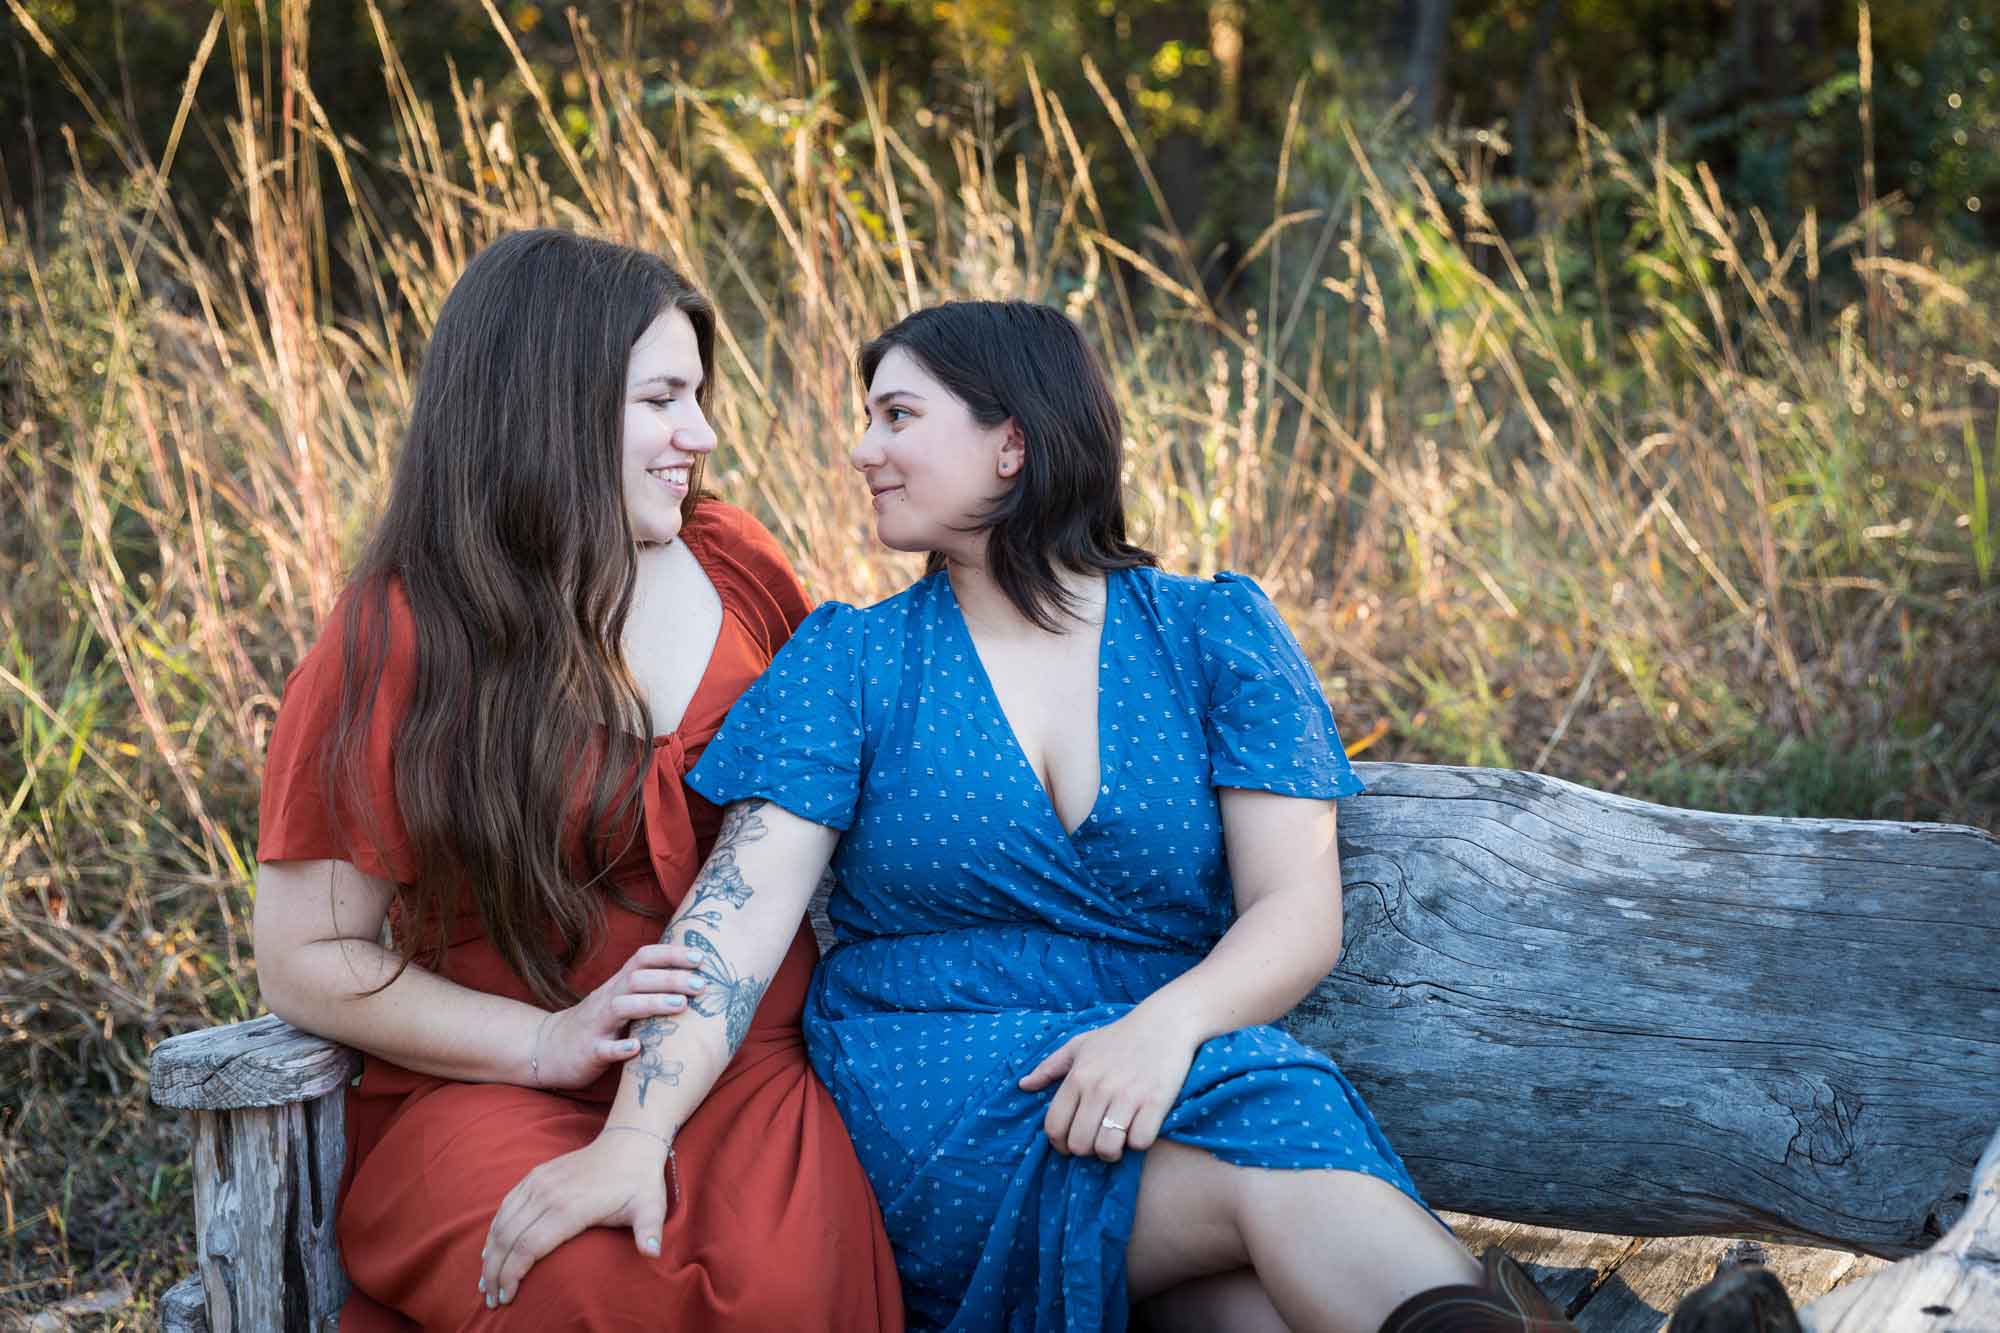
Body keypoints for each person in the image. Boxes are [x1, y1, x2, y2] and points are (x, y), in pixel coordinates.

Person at [476, 297, 1570, 1331]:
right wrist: (634, 1134)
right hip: (939, 1091)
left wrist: (1160, 1030)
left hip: (1164, 1068)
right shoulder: (849, 661)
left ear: (1014, 443)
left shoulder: (1212, 634)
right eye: (868, 420)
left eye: (897, 416)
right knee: (1281, 1158)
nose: (862, 450)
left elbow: (1295, 910)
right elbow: (736, 920)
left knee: (1256, 1282)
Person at [251, 228, 903, 1329]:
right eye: (662, 400)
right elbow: (306, 956)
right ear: (547, 402)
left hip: (739, 1071)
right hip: (494, 1081)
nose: (698, 435)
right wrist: (543, 1043)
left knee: (789, 1292)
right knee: (589, 1284)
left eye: (697, 397)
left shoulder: (733, 563)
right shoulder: (399, 637)